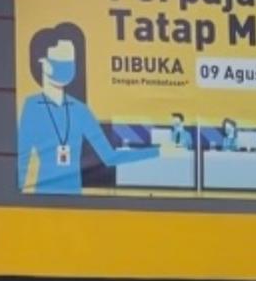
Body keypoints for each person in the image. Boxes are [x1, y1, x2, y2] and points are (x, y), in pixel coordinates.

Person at [17, 22, 159, 194]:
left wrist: (157, 152)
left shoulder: (80, 110)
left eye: (70, 62)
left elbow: (109, 157)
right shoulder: (32, 107)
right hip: (41, 198)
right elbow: (21, 159)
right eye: (61, 61)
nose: (68, 67)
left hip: (74, 196)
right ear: (44, 63)